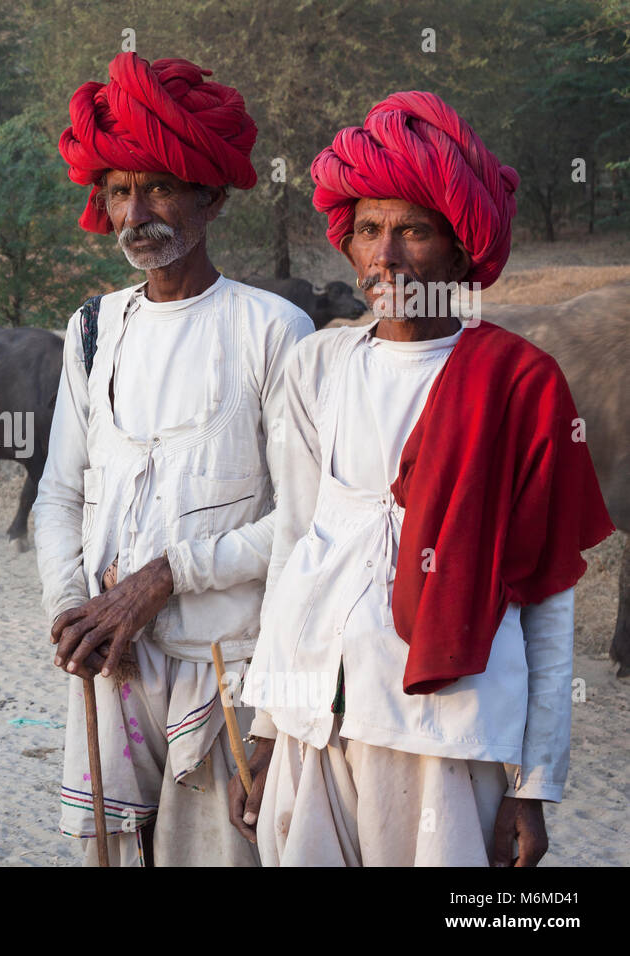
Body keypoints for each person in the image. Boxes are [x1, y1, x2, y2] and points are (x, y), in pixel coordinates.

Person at [239, 92, 615, 866]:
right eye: (369, 231)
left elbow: (546, 597)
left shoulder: (519, 383)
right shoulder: (317, 366)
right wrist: (266, 727)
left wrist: (534, 782)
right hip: (315, 712)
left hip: (446, 730)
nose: (387, 257)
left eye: (413, 230)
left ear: (459, 247)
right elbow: (295, 548)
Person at [32, 53, 313, 866]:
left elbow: (301, 526)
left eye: (158, 186)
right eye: (119, 190)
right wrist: (71, 612)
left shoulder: (272, 330)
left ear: (211, 196)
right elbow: (59, 495)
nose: (135, 212)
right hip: (111, 664)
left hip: (227, 670)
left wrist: (162, 578)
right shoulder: (92, 328)